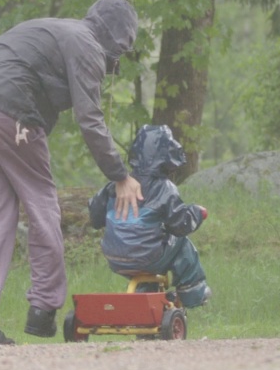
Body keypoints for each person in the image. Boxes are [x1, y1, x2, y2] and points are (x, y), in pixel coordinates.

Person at [0, 0, 144, 346]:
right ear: (118, 41)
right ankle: (43, 309)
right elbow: (90, 119)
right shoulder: (88, 46)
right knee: (41, 205)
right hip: (12, 112)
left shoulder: (48, 27)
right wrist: (120, 175)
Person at [87, 124, 210, 307]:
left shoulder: (116, 185)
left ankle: (146, 300)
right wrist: (197, 213)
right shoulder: (164, 188)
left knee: (149, 244)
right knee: (181, 242)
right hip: (148, 257)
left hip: (115, 256)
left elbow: (95, 217)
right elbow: (179, 224)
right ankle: (193, 291)